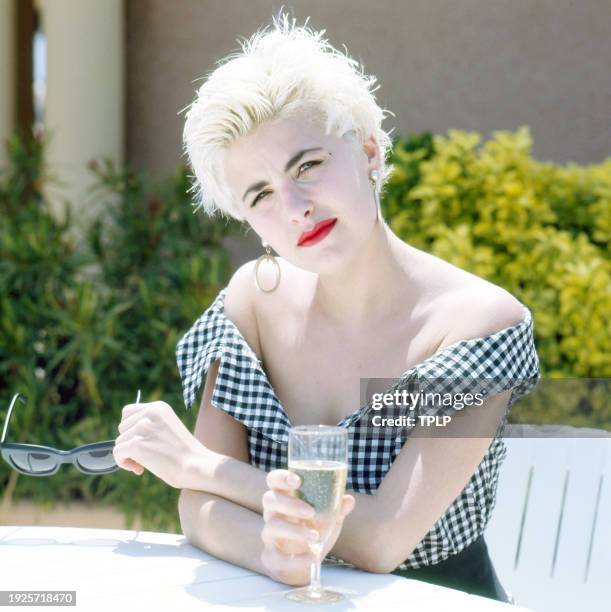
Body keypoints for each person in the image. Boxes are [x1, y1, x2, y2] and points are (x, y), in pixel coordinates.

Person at [113, 11, 540, 602]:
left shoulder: (476, 326)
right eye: (260, 195)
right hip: (280, 596)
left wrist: (198, 466)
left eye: (307, 166)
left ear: (367, 151)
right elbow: (201, 512)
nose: (294, 208)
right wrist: (273, 555)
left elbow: (384, 538)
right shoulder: (251, 304)